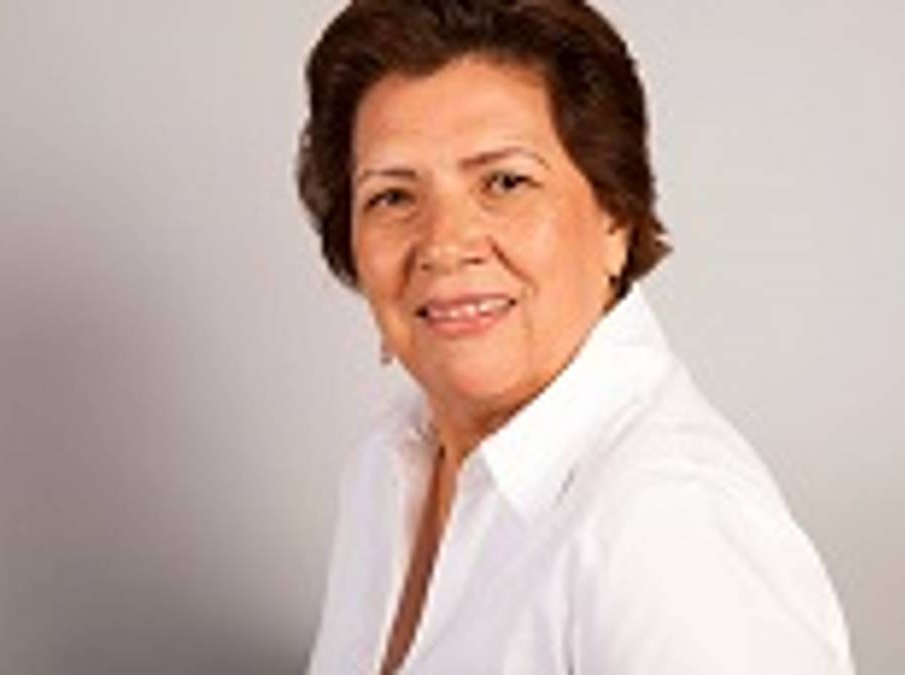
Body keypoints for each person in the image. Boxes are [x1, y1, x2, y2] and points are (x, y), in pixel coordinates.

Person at [296, 1, 854, 673]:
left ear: (616, 216)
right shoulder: (386, 467)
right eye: (392, 196)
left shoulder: (671, 522)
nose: (443, 244)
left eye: (505, 182)